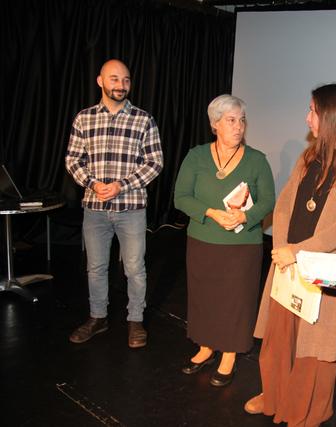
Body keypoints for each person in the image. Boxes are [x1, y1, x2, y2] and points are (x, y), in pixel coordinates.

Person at [244, 84, 336, 426]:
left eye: (313, 111)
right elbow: (287, 203)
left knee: (313, 350)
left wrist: (296, 252)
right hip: (288, 263)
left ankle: (305, 411)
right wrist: (281, 248)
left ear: (332, 115)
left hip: (322, 270)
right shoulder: (309, 156)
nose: (307, 118)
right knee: (279, 339)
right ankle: (273, 396)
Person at [174, 94, 275, 387]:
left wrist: (244, 217)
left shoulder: (257, 160)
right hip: (203, 240)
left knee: (235, 299)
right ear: (215, 124)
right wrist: (210, 213)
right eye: (231, 120)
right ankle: (206, 347)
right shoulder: (196, 156)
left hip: (242, 246)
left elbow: (268, 200)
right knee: (204, 296)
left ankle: (229, 353)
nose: (238, 126)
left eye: (242, 120)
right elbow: (181, 197)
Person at [65, 59, 164, 348]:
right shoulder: (84, 118)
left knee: (134, 267)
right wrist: (93, 184)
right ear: (100, 81)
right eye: (114, 79)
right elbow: (73, 160)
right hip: (94, 208)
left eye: (126, 80)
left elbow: (155, 162)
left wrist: (122, 184)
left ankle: (135, 320)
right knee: (95, 267)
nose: (121, 85)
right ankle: (98, 318)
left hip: (131, 208)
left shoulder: (144, 119)